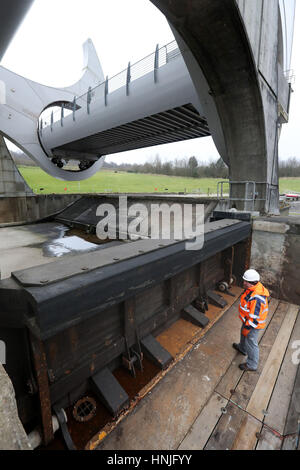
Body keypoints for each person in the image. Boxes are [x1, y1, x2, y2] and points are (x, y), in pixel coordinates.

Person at [233, 269, 270, 371]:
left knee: (251, 342)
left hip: (253, 324)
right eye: (244, 280)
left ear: (253, 283)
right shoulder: (252, 288)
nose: (244, 283)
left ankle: (252, 364)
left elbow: (254, 318)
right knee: (243, 334)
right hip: (247, 320)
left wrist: (247, 327)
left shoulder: (256, 298)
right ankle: (242, 348)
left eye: (246, 282)